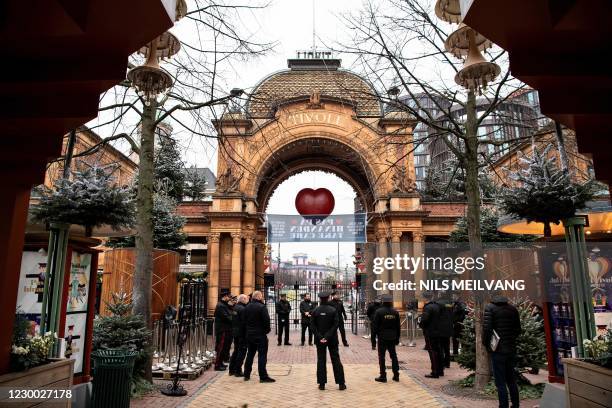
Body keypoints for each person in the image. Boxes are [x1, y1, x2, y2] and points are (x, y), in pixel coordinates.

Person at [483, 294, 522, 408]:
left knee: (500, 381)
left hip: (497, 350)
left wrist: (487, 345)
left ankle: (503, 405)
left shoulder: (490, 308)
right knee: (511, 379)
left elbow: (487, 329)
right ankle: (515, 404)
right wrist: (510, 339)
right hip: (511, 348)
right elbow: (518, 329)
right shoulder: (512, 308)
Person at [311, 291, 346, 391]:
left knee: (321, 360)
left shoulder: (315, 311)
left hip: (319, 339)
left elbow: (312, 326)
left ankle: (322, 384)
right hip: (332, 339)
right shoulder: (333, 310)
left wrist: (320, 337)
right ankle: (341, 383)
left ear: (320, 299)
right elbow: (336, 325)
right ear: (328, 298)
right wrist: (327, 336)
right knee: (336, 359)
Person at [243, 291, 275, 383]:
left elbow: (244, 321)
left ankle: (246, 374)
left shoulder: (247, 307)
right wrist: (265, 331)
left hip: (249, 335)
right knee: (262, 355)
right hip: (260, 335)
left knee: (250, 354)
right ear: (258, 297)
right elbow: (266, 321)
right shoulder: (262, 307)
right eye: (261, 296)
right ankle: (263, 376)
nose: (262, 298)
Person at [372, 294, 400, 383]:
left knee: (382, 357)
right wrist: (397, 338)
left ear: (383, 301)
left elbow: (374, 327)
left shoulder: (379, 312)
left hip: (382, 337)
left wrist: (373, 341)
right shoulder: (395, 312)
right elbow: (398, 327)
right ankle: (396, 375)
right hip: (392, 337)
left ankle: (383, 375)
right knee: (394, 356)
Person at [419, 291, 444, 378]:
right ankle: (440, 370)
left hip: (430, 332)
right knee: (439, 350)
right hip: (438, 331)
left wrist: (421, 325)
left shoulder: (428, 307)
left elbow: (424, 320)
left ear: (425, 298)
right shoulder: (437, 306)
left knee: (432, 352)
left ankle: (435, 372)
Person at [228, 294, 248, 376]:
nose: (247, 300)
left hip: (235, 332)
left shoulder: (235, 307)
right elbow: (244, 322)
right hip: (241, 333)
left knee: (236, 351)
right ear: (242, 299)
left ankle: (231, 369)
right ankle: (238, 370)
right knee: (241, 352)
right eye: (246, 299)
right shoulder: (243, 309)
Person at [214, 290, 233, 371]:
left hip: (226, 329)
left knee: (224, 347)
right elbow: (227, 317)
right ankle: (217, 365)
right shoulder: (220, 306)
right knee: (220, 347)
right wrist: (234, 319)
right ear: (224, 296)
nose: (229, 298)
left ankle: (221, 362)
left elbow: (230, 313)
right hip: (222, 329)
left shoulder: (224, 305)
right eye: (228, 296)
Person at [436, 293, 454, 369]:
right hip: (448, 327)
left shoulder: (438, 303)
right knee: (447, 346)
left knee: (440, 347)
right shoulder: (449, 303)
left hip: (440, 328)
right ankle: (447, 363)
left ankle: (442, 363)